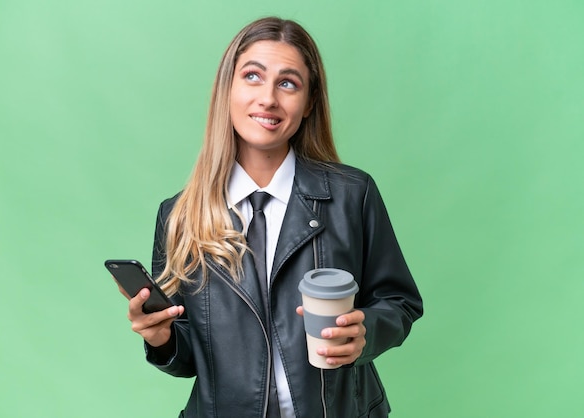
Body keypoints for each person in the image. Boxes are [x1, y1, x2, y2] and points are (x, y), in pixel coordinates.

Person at [119, 16, 423, 418]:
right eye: (252, 76)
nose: (268, 99)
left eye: (288, 83)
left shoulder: (353, 195)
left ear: (309, 102)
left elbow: (399, 302)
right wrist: (162, 339)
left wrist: (364, 332)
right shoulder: (179, 217)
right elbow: (189, 358)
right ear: (227, 90)